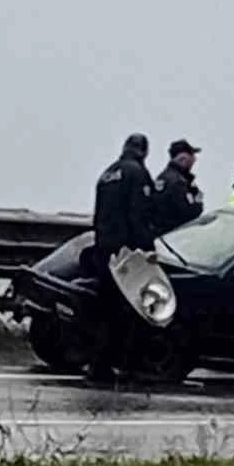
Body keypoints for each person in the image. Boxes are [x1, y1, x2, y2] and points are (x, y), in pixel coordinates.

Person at [90, 133, 157, 381]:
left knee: (106, 310)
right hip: (126, 253)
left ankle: (99, 365)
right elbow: (139, 215)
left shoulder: (107, 174)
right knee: (130, 310)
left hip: (104, 249)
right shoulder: (137, 174)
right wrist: (147, 250)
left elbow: (98, 216)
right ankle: (126, 364)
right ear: (144, 151)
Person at [152, 139, 203, 235]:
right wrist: (198, 200)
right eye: (192, 156)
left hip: (160, 236)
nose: (194, 160)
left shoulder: (162, 178)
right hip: (174, 236)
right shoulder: (178, 182)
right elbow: (190, 213)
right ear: (183, 159)